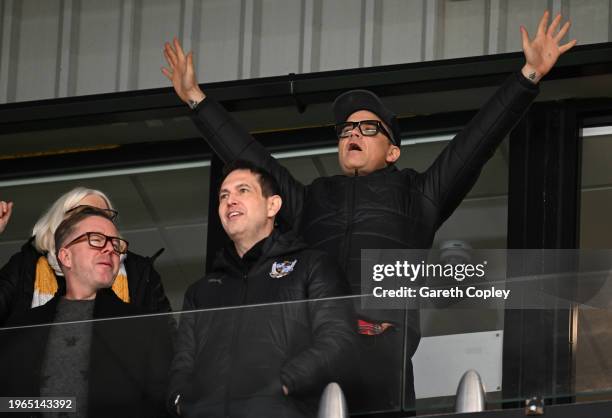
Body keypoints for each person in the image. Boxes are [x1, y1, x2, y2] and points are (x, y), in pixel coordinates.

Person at [162, 11, 576, 411]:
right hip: (315, 350)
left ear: (393, 150)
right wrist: (197, 100)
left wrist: (529, 76)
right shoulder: (311, 198)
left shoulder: (419, 194)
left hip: (382, 353)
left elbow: (475, 143)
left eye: (367, 127)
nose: (353, 133)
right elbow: (251, 158)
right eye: (345, 129)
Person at [168, 160, 354, 418]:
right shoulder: (201, 291)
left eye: (243, 190)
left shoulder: (312, 265)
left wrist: (284, 384)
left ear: (272, 205)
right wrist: (179, 401)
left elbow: (339, 341)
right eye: (224, 195)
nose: (230, 200)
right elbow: (182, 364)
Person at [0, 207, 173, 417]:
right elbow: (7, 404)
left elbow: (161, 405)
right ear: (65, 256)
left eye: (115, 244)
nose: (110, 249)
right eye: (96, 239)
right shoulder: (21, 328)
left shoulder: (145, 327)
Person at [0, 187, 171, 326]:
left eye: (105, 216)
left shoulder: (138, 270)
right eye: (86, 213)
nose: (98, 221)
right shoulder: (26, 265)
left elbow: (163, 338)